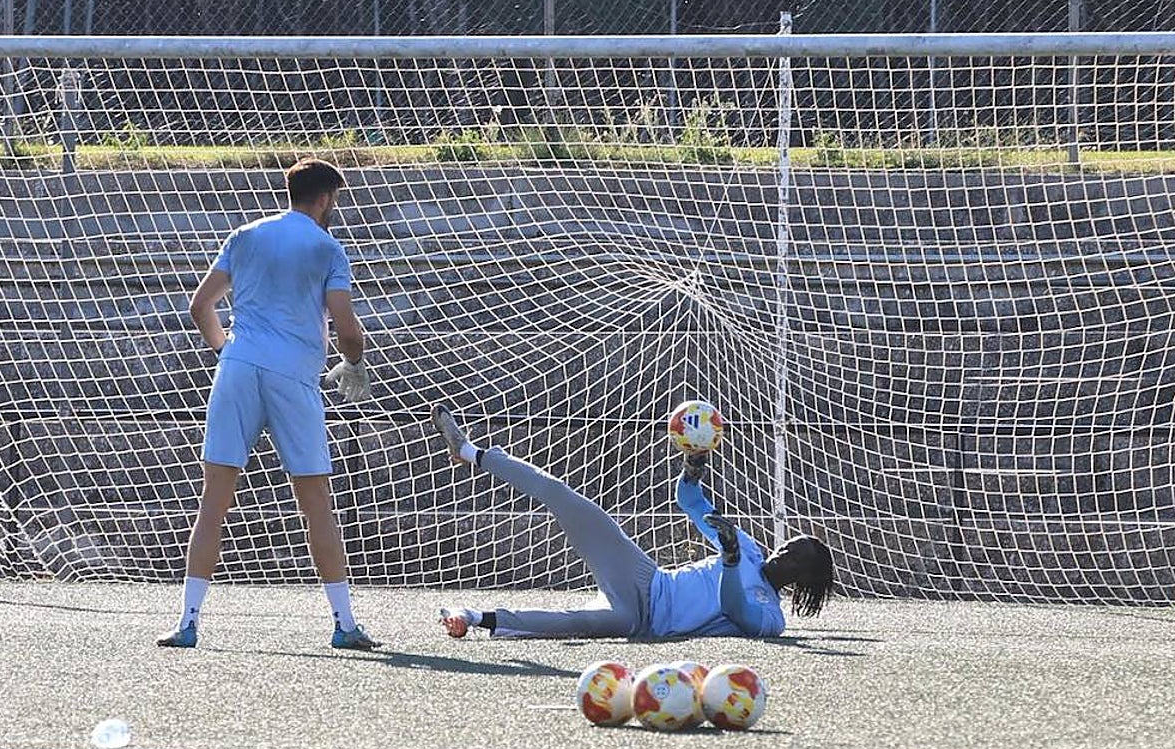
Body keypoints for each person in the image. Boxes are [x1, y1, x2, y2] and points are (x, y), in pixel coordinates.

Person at [157, 157, 377, 651]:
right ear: (323, 199)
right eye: (334, 201)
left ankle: (188, 622)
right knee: (315, 499)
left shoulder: (245, 235)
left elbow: (201, 306)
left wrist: (226, 351)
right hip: (292, 377)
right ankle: (343, 624)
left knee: (214, 497)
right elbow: (346, 328)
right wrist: (355, 362)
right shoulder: (328, 248)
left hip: (236, 369)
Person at [430, 405, 834, 640]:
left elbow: (736, 609)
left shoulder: (772, 619)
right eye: (786, 545)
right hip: (648, 578)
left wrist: (728, 562)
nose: (781, 552)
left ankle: (473, 617)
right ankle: (471, 451)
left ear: (803, 577)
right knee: (569, 499)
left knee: (582, 623)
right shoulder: (747, 548)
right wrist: (693, 468)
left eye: (793, 556)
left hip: (645, 622)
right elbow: (692, 502)